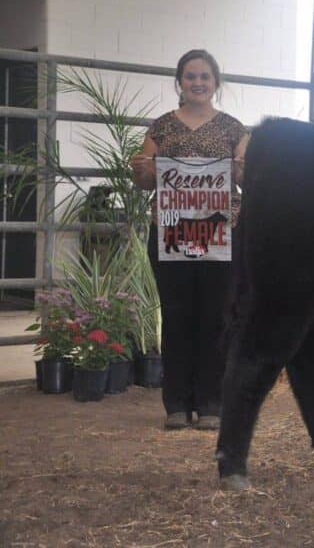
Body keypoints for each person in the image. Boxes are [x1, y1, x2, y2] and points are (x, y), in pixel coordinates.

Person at [130, 49, 248, 431]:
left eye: (205, 76)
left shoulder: (234, 128)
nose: (198, 82)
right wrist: (142, 169)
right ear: (180, 82)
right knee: (177, 315)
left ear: (216, 82)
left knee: (216, 316)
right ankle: (176, 404)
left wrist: (242, 168)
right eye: (190, 76)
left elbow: (247, 179)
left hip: (221, 235)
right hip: (170, 233)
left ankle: (212, 403)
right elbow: (145, 181)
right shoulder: (161, 126)